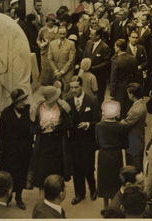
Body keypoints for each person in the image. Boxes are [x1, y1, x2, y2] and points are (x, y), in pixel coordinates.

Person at [27, 86, 72, 191]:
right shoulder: (37, 109)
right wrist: (41, 128)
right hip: (43, 144)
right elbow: (32, 128)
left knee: (56, 175)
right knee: (42, 175)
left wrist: (55, 127)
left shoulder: (61, 108)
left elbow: (68, 125)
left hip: (57, 145)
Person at [65, 76, 100, 205]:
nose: (73, 90)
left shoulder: (92, 101)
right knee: (76, 168)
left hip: (87, 141)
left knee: (88, 168)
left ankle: (93, 189)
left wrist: (88, 124)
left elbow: (97, 120)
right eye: (71, 87)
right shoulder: (67, 101)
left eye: (76, 87)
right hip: (73, 141)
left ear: (82, 86)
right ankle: (79, 194)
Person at [0, 89, 33, 210]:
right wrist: (0, 150)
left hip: (24, 151)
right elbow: (1, 134)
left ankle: (19, 197)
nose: (23, 102)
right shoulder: (6, 113)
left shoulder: (28, 111)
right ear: (15, 102)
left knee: (21, 175)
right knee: (9, 175)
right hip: (9, 152)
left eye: (24, 99)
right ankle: (8, 196)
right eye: (20, 100)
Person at [95, 100, 128, 215]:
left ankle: (105, 206)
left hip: (103, 154)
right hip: (116, 154)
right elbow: (125, 144)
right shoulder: (121, 126)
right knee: (115, 180)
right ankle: (115, 205)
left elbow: (97, 141)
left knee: (103, 180)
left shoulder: (99, 126)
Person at [120, 83, 147, 172]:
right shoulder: (140, 104)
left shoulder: (136, 110)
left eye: (128, 93)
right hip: (136, 141)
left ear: (132, 94)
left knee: (134, 170)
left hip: (134, 143)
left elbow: (125, 123)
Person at [110, 39, 138, 119]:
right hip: (130, 90)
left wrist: (112, 93)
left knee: (119, 113)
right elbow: (136, 76)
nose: (114, 48)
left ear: (118, 48)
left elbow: (113, 79)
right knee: (128, 111)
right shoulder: (133, 59)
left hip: (119, 91)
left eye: (115, 46)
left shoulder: (116, 61)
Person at [83, 27, 111, 104]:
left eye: (92, 34)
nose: (89, 36)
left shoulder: (105, 47)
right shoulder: (88, 43)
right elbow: (85, 56)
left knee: (98, 98)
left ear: (98, 36)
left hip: (99, 77)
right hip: (87, 76)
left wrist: (94, 68)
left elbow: (107, 63)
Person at [47, 27, 76, 95]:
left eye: (64, 34)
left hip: (67, 72)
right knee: (56, 91)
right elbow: (50, 59)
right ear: (57, 34)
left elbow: (71, 60)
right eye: (60, 34)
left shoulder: (71, 44)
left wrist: (62, 72)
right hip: (56, 72)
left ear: (66, 34)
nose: (62, 36)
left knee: (67, 92)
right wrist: (56, 71)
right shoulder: (52, 44)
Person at [37, 13, 59, 85]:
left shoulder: (57, 29)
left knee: (53, 69)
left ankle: (53, 84)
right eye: (49, 20)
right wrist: (41, 45)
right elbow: (38, 39)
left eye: (53, 21)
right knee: (45, 70)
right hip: (45, 52)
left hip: (54, 53)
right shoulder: (43, 30)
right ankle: (44, 85)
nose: (51, 22)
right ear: (47, 21)